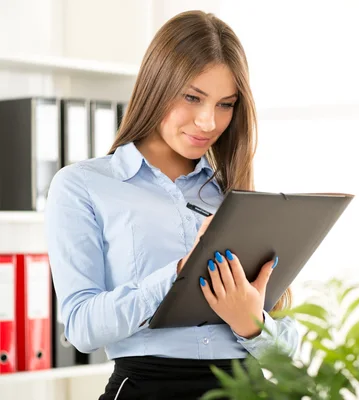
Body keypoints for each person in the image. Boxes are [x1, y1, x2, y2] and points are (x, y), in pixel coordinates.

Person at [45, 10, 299, 400]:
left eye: (225, 104)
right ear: (156, 85)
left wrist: (251, 322)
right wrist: (179, 275)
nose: (207, 121)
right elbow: (81, 328)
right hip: (148, 387)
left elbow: (289, 353)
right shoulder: (83, 186)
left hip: (247, 389)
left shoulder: (235, 193)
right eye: (192, 97)